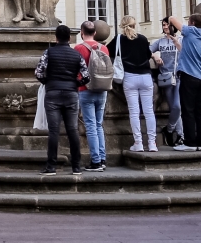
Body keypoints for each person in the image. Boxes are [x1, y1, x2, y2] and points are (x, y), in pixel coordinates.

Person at [35, 23, 86, 174]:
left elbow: (38, 72)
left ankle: (51, 166)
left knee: (54, 131)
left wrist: (47, 82)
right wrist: (75, 84)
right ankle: (76, 166)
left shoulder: (48, 52)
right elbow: (86, 76)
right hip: (71, 94)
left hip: (53, 94)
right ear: (69, 38)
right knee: (72, 130)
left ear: (56, 38)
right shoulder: (76, 54)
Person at [109, 15, 157, 151]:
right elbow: (148, 55)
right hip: (146, 77)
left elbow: (108, 51)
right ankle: (152, 143)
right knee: (149, 112)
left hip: (129, 77)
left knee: (134, 112)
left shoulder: (119, 39)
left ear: (121, 25)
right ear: (135, 25)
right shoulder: (142, 39)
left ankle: (138, 143)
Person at [73, 20, 110, 171]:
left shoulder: (79, 48)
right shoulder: (104, 48)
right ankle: (102, 158)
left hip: (85, 89)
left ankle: (95, 161)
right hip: (102, 88)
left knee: (90, 126)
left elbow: (76, 69)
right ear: (95, 33)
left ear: (82, 33)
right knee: (99, 125)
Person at [169, 13, 201, 152]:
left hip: (188, 77)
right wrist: (177, 44)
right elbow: (190, 53)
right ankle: (200, 142)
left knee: (188, 110)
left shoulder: (191, 31)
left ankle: (189, 142)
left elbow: (173, 19)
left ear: (192, 23)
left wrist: (170, 19)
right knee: (200, 111)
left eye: (188, 21)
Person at [150, 21, 182, 147]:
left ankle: (169, 129)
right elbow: (147, 50)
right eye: (163, 25)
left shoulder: (181, 39)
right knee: (173, 107)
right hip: (166, 78)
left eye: (167, 24)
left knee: (177, 106)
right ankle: (180, 135)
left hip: (179, 76)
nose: (165, 27)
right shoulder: (160, 42)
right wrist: (155, 56)